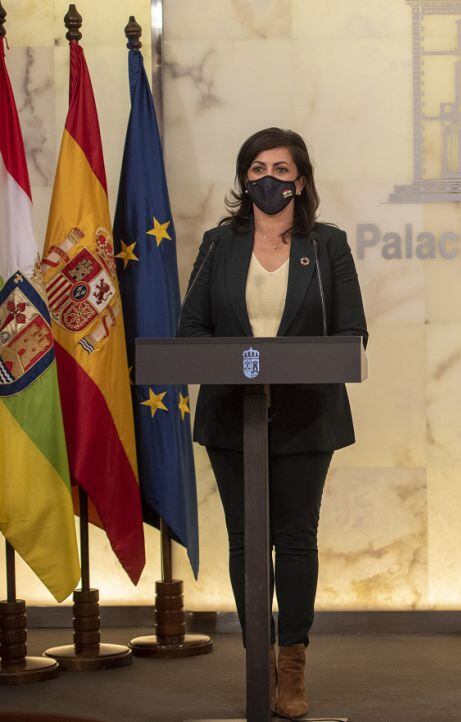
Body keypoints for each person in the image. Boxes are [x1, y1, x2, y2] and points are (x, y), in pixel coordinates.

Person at [179, 127, 367, 718]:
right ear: (244, 178)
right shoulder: (219, 244)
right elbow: (191, 329)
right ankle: (257, 661)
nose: (268, 179)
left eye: (281, 170)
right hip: (232, 415)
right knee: (245, 539)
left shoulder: (327, 246)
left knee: (295, 538)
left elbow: (352, 332)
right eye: (257, 168)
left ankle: (292, 665)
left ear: (300, 181)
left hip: (306, 415)